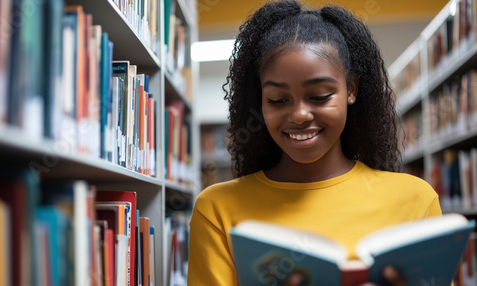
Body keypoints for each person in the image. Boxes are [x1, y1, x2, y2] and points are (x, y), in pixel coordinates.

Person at [188, 1, 442, 285]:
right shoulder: (217, 208)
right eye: (278, 100)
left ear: (351, 90)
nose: (299, 115)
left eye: (320, 96)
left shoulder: (416, 200)